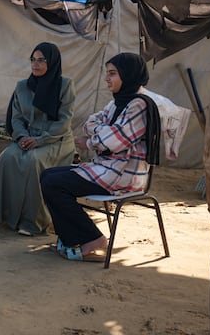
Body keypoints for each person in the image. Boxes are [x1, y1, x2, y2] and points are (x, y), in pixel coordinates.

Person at [39, 52, 160, 262]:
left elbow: (114, 141)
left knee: (55, 183)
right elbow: (90, 123)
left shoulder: (139, 105)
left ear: (128, 75)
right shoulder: (118, 103)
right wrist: (103, 135)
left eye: (112, 74)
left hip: (123, 175)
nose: (107, 79)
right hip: (106, 167)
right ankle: (70, 238)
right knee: (47, 176)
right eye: (107, 73)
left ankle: (92, 238)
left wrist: (90, 142)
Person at [0, 42, 76, 236]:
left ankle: (33, 222)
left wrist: (40, 140)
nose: (35, 65)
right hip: (27, 137)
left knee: (32, 161)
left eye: (41, 60)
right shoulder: (23, 87)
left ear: (52, 62)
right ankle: (7, 215)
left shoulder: (65, 85)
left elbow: (64, 121)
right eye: (33, 60)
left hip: (56, 140)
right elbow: (17, 117)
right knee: (7, 158)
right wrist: (22, 136)